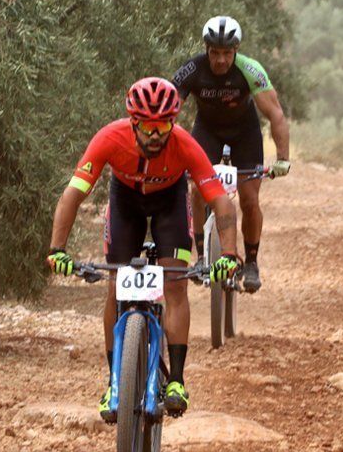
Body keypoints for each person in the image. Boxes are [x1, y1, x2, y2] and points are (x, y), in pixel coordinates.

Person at [46, 77, 240, 420]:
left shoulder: (185, 145)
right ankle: (114, 383)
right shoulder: (109, 138)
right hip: (126, 205)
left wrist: (228, 255)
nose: (155, 135)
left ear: (174, 122)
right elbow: (73, 194)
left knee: (176, 284)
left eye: (163, 125)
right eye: (147, 126)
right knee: (113, 288)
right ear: (133, 123)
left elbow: (222, 204)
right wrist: (57, 249)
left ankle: (176, 380)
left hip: (170, 205)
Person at [172, 15, 291, 293]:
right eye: (215, 53)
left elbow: (275, 114)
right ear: (206, 49)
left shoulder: (250, 69)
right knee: (198, 190)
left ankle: (251, 262)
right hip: (207, 131)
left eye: (227, 53)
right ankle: (200, 257)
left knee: (249, 200)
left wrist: (283, 158)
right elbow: (168, 109)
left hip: (244, 133)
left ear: (236, 50)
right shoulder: (192, 68)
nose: (221, 60)